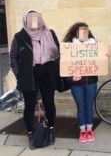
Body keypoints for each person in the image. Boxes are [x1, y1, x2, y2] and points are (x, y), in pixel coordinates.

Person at [10, 9, 60, 149]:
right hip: (29, 76)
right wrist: (19, 75)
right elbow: (13, 58)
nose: (34, 22)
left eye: (36, 18)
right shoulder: (20, 37)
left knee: (49, 103)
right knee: (30, 106)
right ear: (25, 20)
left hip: (47, 74)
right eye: (30, 19)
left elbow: (60, 54)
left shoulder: (50, 34)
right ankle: (31, 134)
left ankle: (51, 129)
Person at [62, 22, 99, 143]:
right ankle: (82, 131)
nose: (83, 34)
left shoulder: (95, 45)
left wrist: (104, 56)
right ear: (76, 33)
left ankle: (90, 130)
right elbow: (64, 67)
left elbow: (100, 63)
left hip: (91, 82)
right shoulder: (69, 47)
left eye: (85, 31)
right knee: (81, 108)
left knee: (89, 107)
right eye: (80, 31)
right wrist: (71, 78)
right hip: (76, 84)